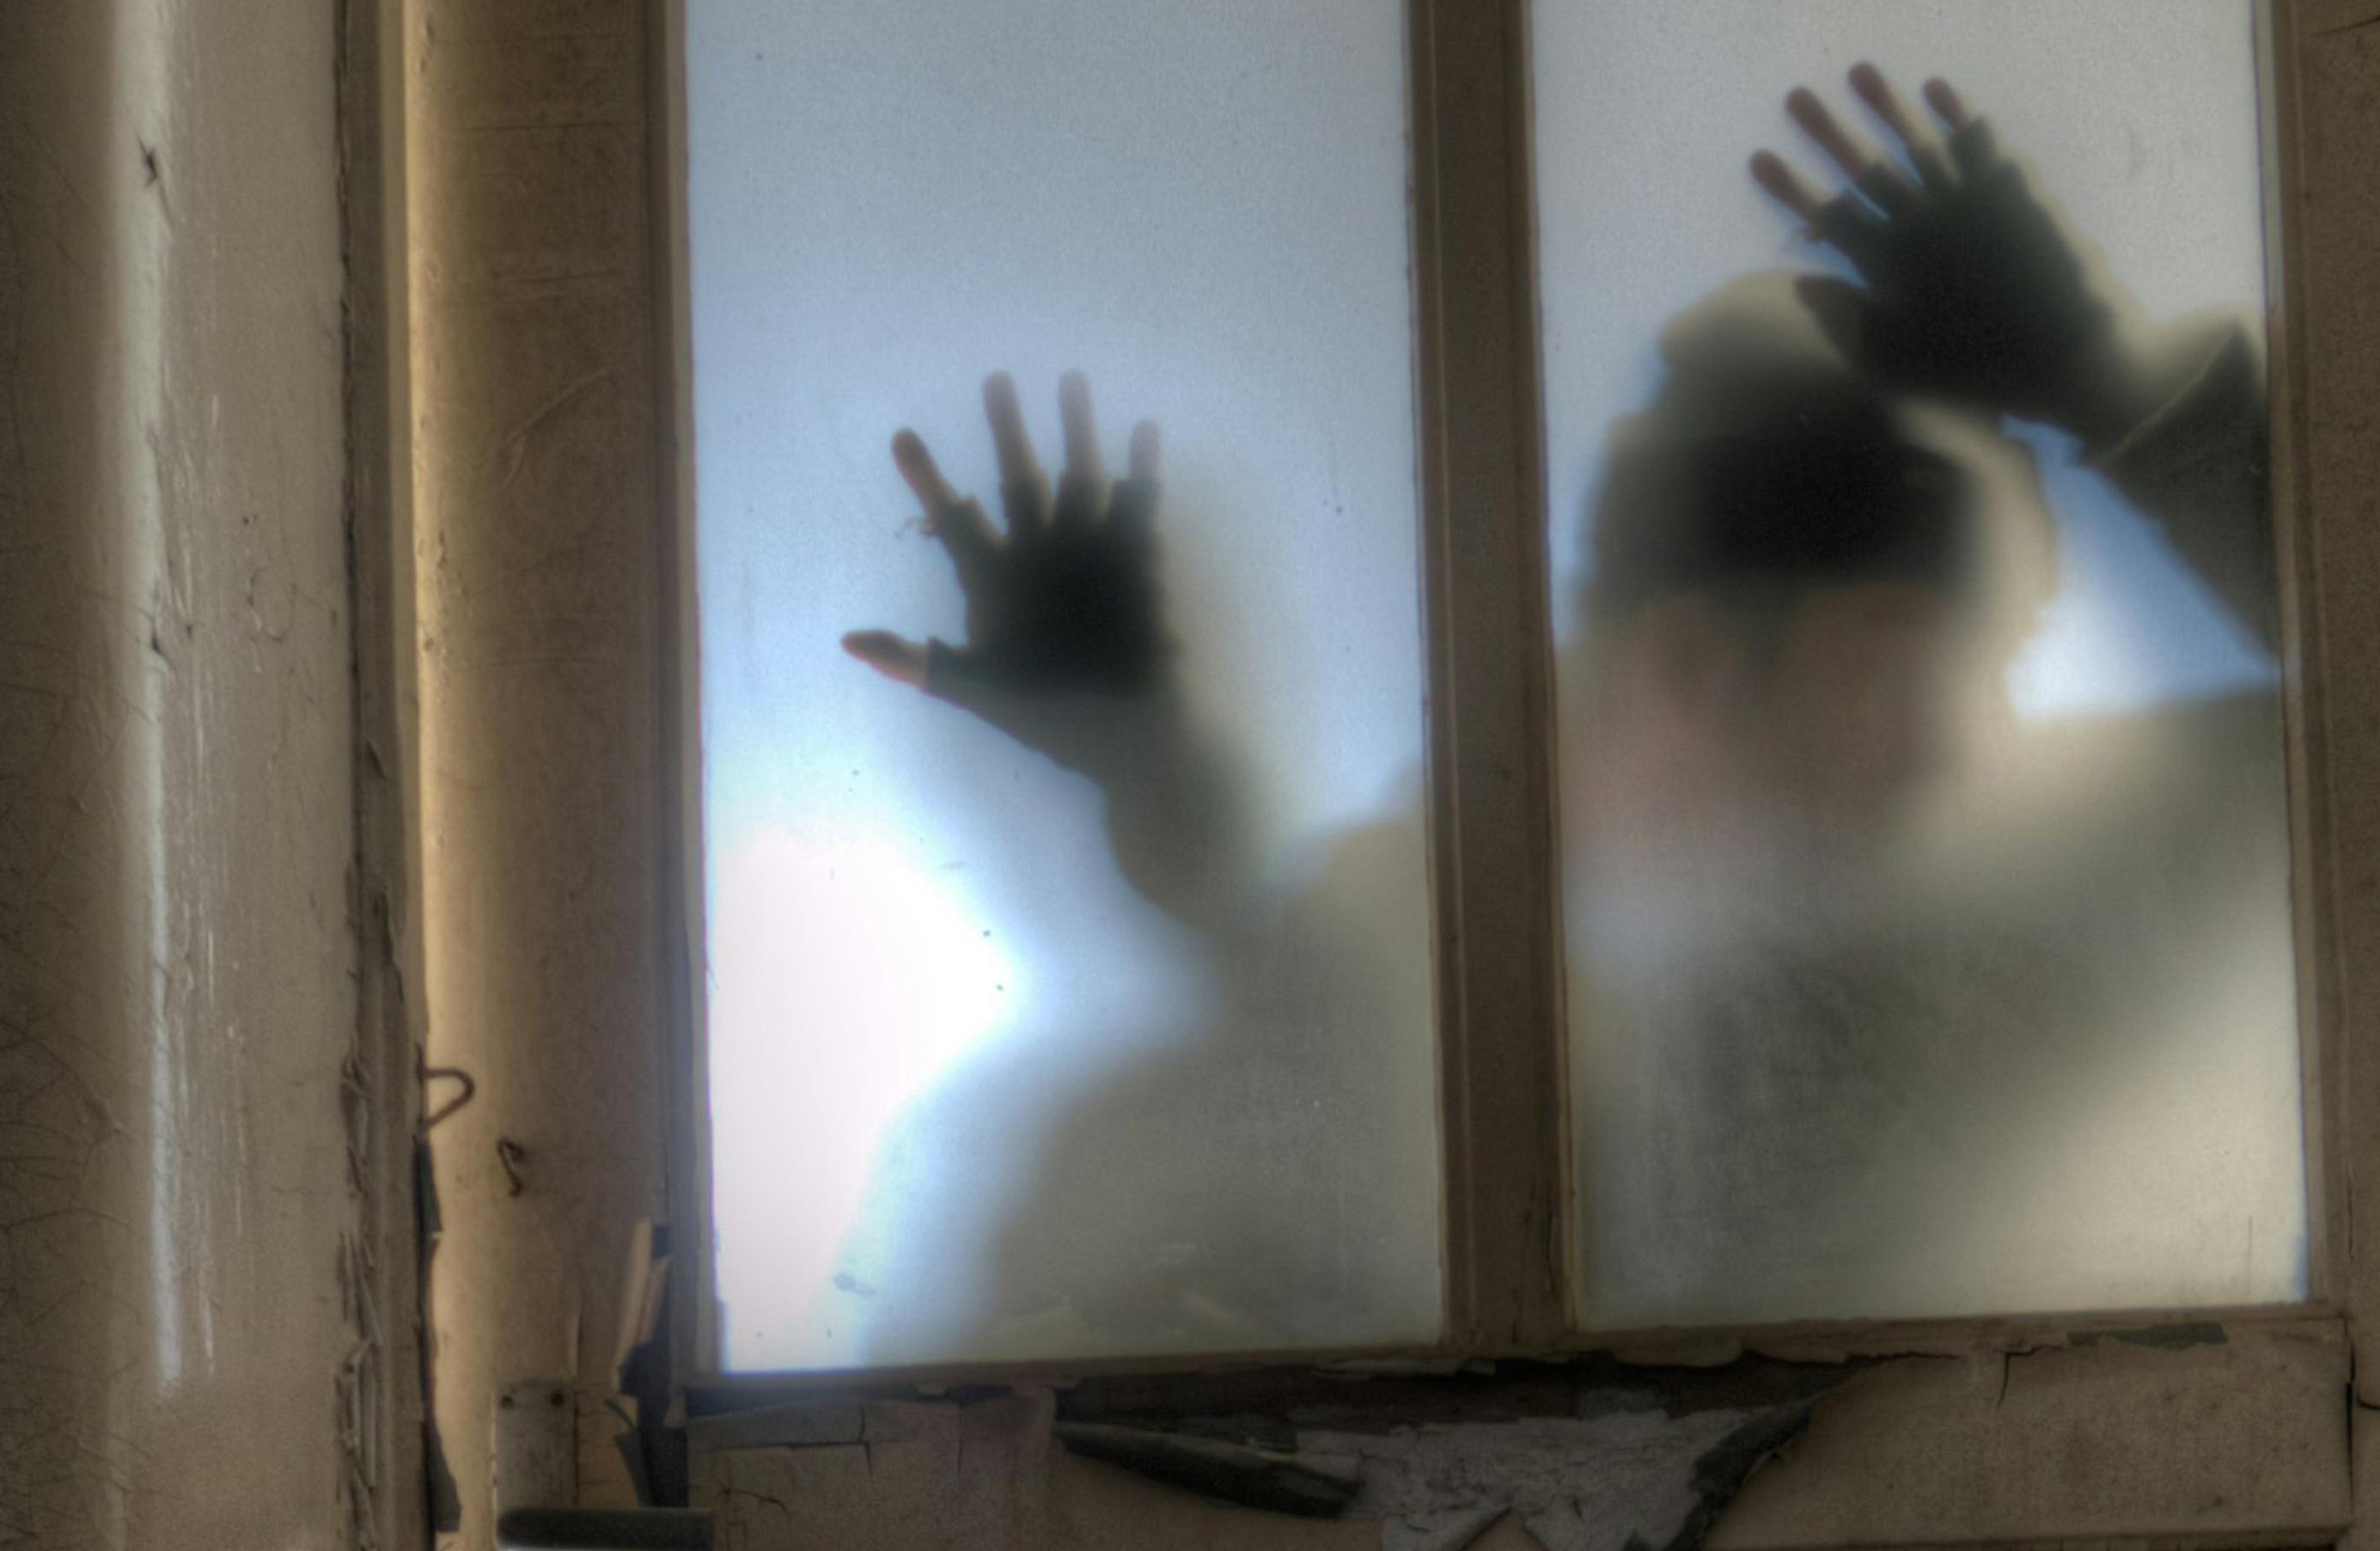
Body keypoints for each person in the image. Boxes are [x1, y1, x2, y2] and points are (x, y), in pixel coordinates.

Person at [843, 68, 2301, 1351]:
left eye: (1982, 663)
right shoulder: (1408, 1003)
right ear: (1692, 662)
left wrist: (2108, 386)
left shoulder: (2031, 948)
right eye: (1896, 665)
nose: (1948, 736)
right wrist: (1151, 779)